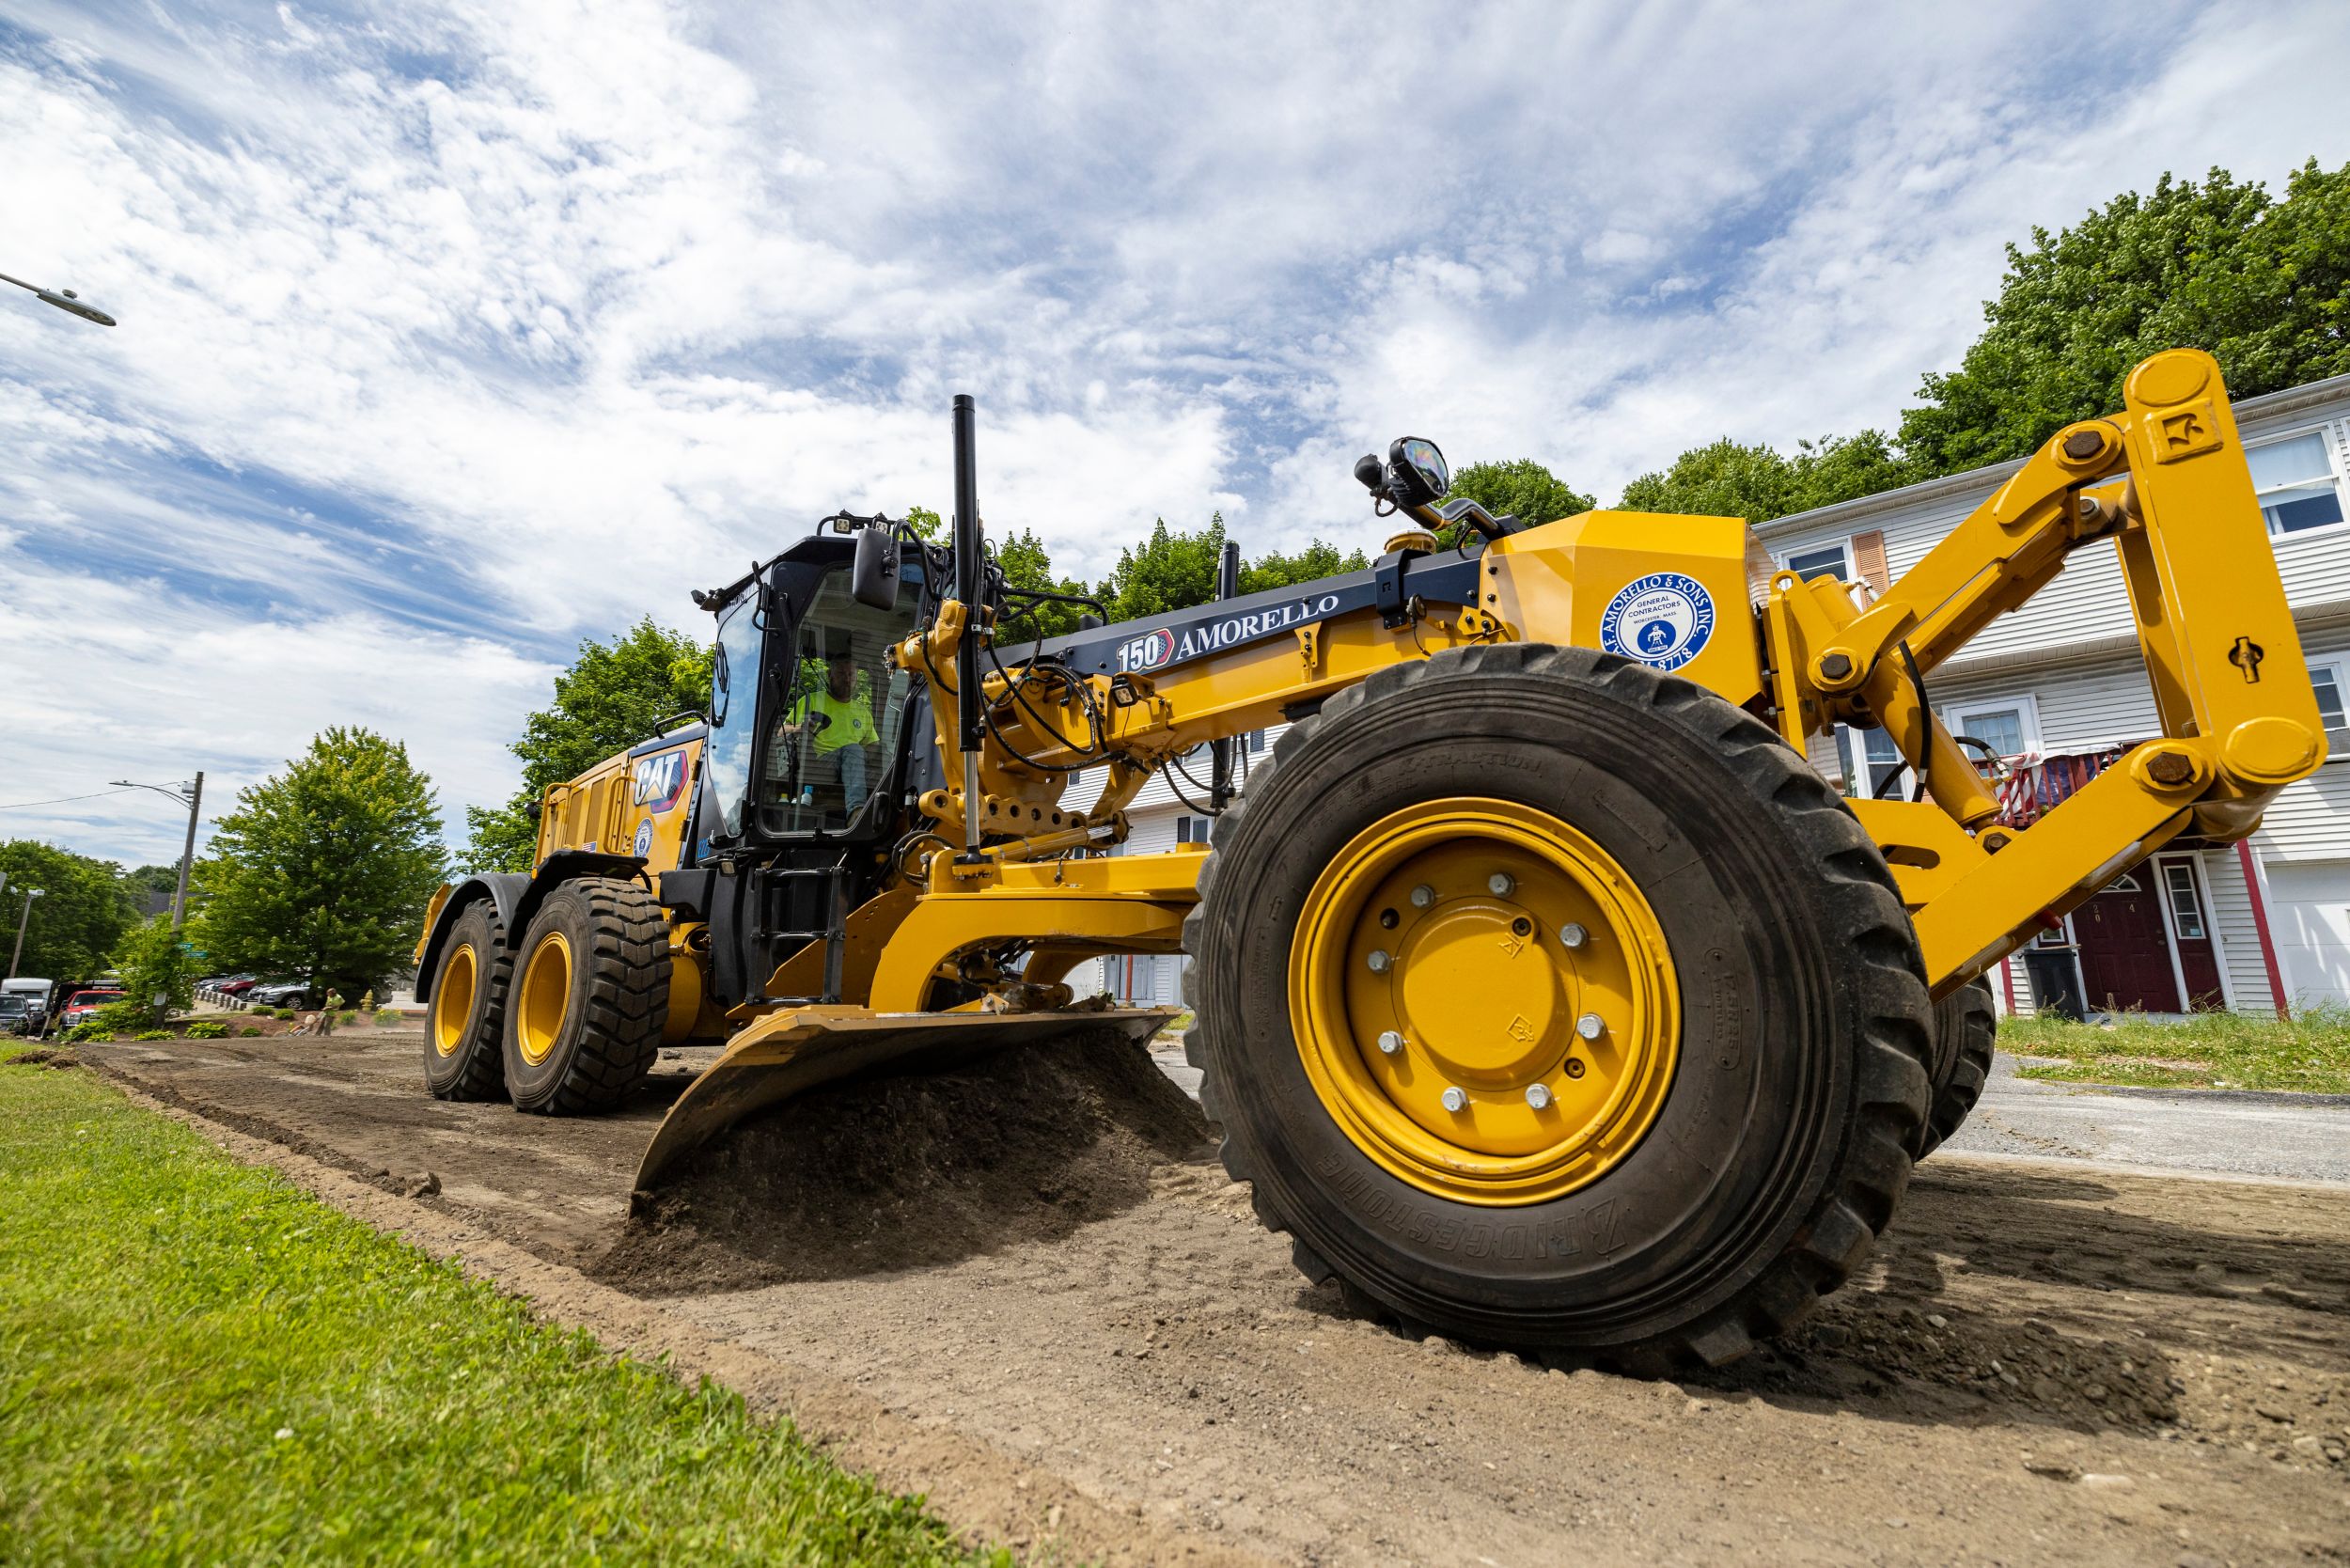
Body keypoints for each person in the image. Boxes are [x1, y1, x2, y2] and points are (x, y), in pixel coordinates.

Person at [780, 644, 880, 808]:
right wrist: (799, 728)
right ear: (829, 675)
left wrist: (862, 758)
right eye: (841, 673)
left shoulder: (863, 712)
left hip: (852, 765)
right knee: (853, 749)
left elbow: (873, 744)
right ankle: (856, 810)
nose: (847, 679)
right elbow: (781, 732)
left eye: (851, 675)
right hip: (819, 763)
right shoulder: (811, 700)